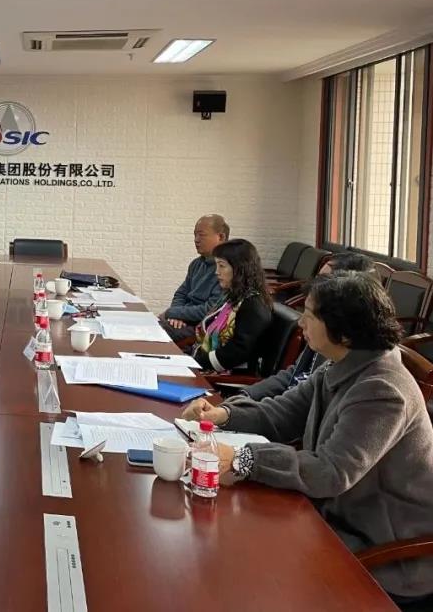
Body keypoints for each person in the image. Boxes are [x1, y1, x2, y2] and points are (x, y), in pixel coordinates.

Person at [182, 271, 433, 602]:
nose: (301, 323)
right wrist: (224, 414)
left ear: (344, 331)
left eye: (310, 315)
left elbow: (330, 472)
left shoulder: (382, 390)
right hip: (333, 518)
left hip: (384, 550)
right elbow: (283, 412)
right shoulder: (342, 362)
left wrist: (244, 458)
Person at [241, 252, 374, 400]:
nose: (301, 322)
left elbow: (301, 406)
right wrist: (245, 395)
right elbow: (294, 374)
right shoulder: (321, 333)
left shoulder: (367, 383)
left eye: (323, 280)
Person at [191, 238, 272, 372]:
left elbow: (238, 352)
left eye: (222, 266)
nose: (216, 272)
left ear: (240, 268)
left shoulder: (253, 305)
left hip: (228, 376)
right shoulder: (234, 296)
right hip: (209, 365)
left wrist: (196, 362)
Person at [160, 214, 229, 341]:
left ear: (221, 237)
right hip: (183, 318)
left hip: (201, 325)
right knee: (151, 324)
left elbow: (210, 309)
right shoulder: (196, 264)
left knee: (156, 330)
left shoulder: (227, 270)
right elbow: (181, 294)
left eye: (202, 235)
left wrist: (173, 313)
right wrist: (176, 314)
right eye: (195, 235)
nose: (196, 240)